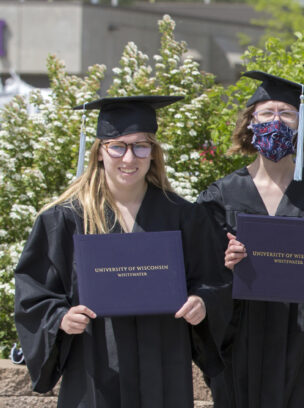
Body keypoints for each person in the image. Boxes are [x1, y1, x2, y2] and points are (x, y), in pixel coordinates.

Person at [14, 96, 230, 407]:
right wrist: (60, 318)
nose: (129, 158)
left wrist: (202, 302)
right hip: (95, 365)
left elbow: (214, 280)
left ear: (153, 153)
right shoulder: (66, 218)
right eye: (117, 146)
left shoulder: (183, 216)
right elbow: (33, 293)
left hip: (163, 364)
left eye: (141, 146)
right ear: (99, 152)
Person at [196, 71, 304, 408]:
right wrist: (224, 266)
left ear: (303, 126)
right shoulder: (220, 196)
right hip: (241, 340)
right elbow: (200, 276)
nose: (276, 121)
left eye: (287, 113)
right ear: (250, 123)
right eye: (266, 112)